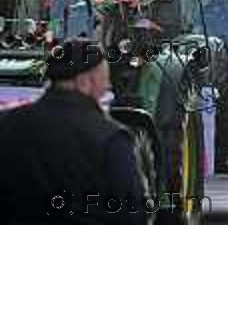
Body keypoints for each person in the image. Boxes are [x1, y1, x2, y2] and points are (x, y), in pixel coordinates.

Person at [0, 39, 147, 225]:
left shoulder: (6, 123)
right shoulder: (110, 138)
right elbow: (132, 213)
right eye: (104, 79)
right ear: (85, 81)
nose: (107, 87)